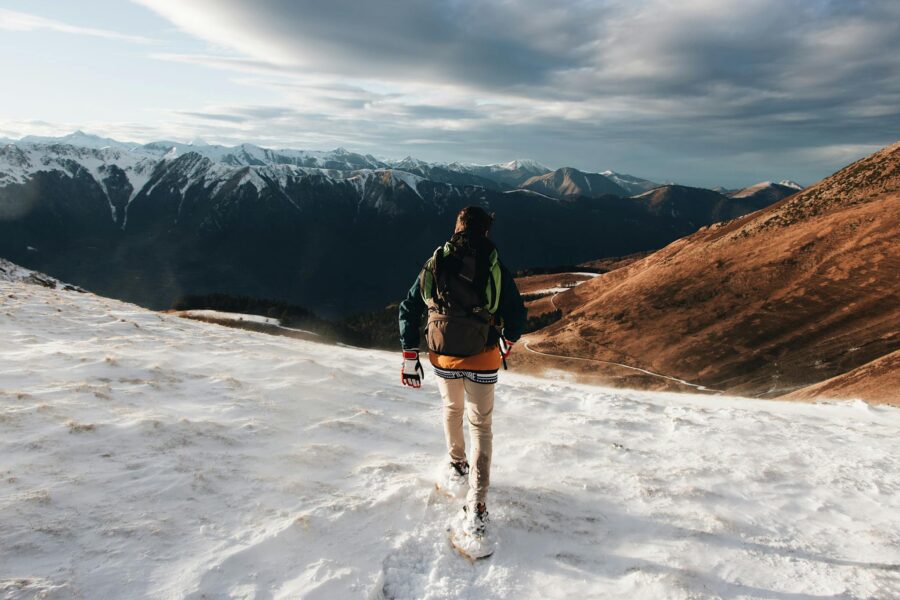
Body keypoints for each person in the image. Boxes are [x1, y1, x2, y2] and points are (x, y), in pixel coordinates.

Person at [398, 206, 526, 536]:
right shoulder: (494, 265)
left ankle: (457, 464)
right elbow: (517, 317)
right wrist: (506, 342)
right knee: (480, 425)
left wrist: (410, 353)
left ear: (457, 227)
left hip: (442, 355)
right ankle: (478, 504)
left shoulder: (436, 262)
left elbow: (409, 306)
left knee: (451, 409)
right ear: (486, 231)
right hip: (482, 357)